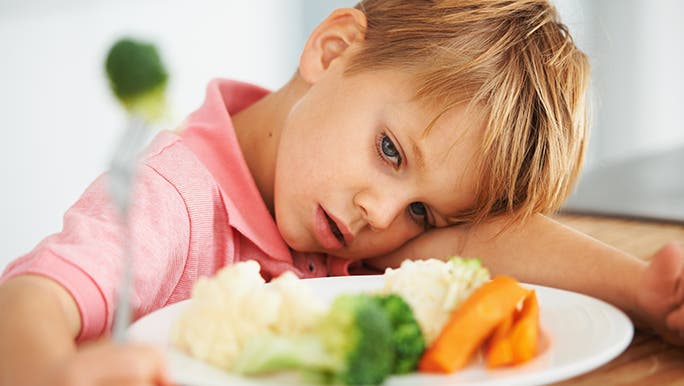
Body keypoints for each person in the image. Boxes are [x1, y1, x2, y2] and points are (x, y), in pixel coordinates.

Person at [1, 0, 683, 385]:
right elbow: (29, 300)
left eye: (423, 212)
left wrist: (640, 289)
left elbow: (483, 240)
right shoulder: (174, 197)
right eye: (389, 152)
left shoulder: (360, 217)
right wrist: (52, 374)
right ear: (331, 51)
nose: (381, 215)